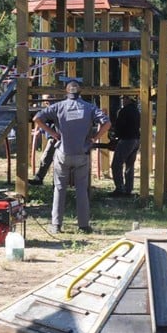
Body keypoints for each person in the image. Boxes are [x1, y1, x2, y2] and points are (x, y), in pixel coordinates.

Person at [33, 80, 110, 234]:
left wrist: (53, 133)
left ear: (66, 92)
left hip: (63, 153)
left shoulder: (58, 107)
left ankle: (56, 225)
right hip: (82, 154)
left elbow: (36, 118)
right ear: (79, 92)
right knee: (82, 190)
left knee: (59, 189)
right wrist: (95, 138)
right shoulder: (89, 108)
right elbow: (107, 123)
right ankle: (83, 225)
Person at [110, 95, 141, 197]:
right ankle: (128, 189)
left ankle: (120, 189)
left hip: (126, 140)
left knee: (116, 165)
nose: (123, 101)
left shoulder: (124, 111)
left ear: (128, 99)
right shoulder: (136, 111)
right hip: (136, 140)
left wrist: (114, 135)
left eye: (124, 99)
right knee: (129, 165)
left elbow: (119, 127)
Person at [29, 95, 56, 185]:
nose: (48, 101)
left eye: (50, 98)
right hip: (52, 136)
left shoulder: (56, 109)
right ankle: (40, 178)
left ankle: (39, 178)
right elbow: (42, 123)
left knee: (46, 157)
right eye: (46, 100)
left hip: (55, 138)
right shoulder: (45, 111)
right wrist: (39, 131)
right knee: (47, 158)